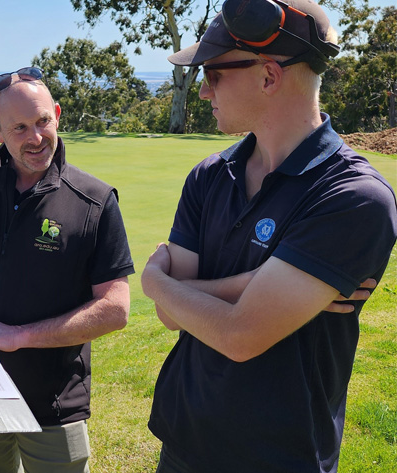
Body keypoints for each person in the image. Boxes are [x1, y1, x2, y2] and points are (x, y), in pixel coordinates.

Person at [140, 0, 397, 471]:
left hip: (279, 457)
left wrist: (157, 281)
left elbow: (240, 335)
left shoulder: (356, 197)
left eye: (214, 74)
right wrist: (254, 284)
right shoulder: (209, 176)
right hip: (183, 440)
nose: (202, 91)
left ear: (269, 76)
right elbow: (170, 317)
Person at [0, 67, 135, 473]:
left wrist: (19, 336)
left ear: (57, 113)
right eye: (19, 128)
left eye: (43, 121)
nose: (36, 138)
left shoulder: (94, 201)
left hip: (52, 403)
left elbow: (116, 308)